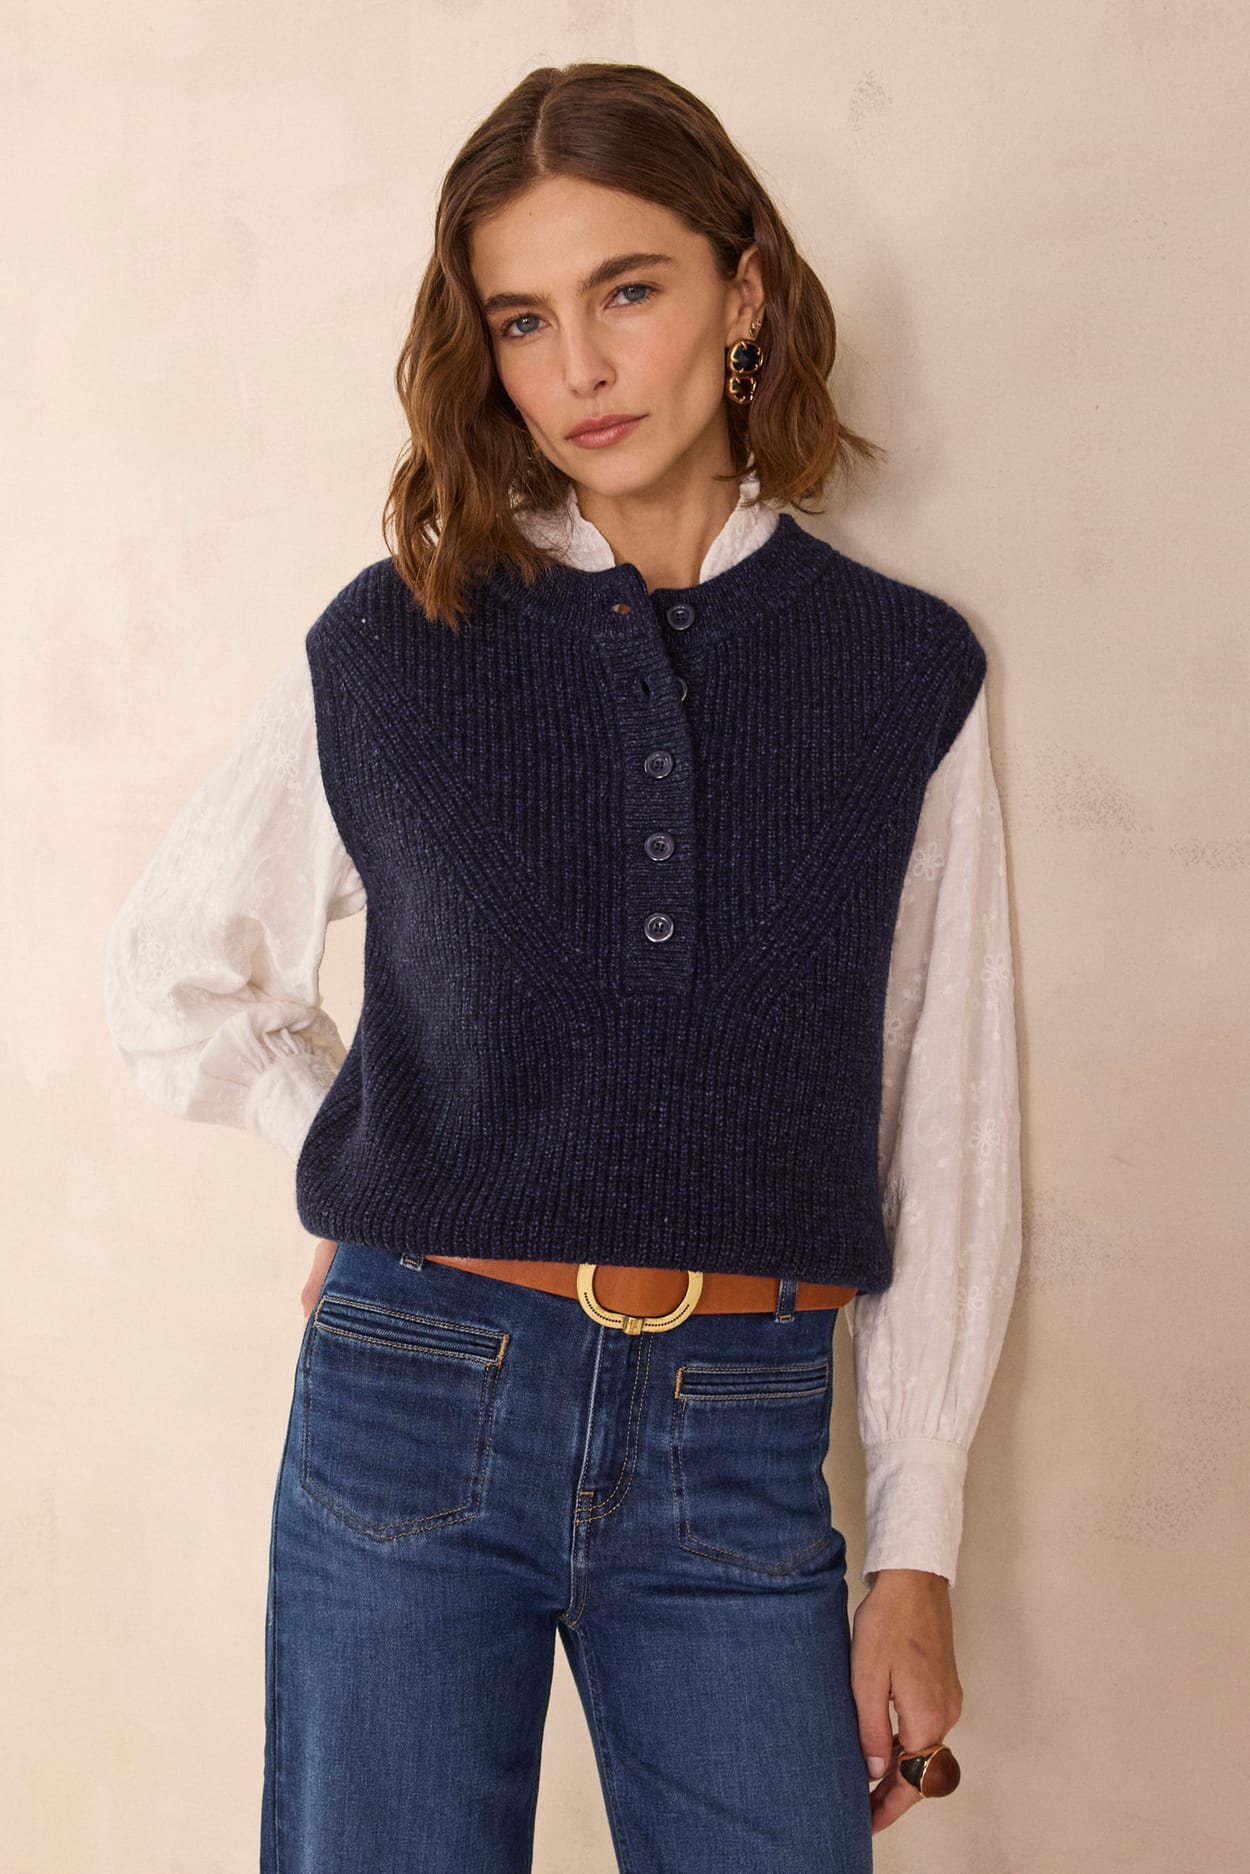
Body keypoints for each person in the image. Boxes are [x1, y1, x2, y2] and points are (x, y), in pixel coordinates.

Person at [104, 60, 1021, 1873]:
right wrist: (369, 1145)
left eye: (628, 290)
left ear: (742, 292)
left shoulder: (898, 669)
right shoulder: (399, 640)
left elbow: (946, 1117)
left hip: (739, 1426)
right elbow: (173, 974)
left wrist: (915, 1545)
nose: (580, 367)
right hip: (412, 1380)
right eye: (523, 319)